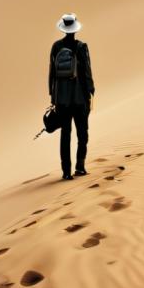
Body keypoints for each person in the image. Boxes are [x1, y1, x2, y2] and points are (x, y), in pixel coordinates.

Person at [48, 12, 95, 181]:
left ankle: (66, 171)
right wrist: (91, 91)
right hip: (80, 99)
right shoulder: (82, 47)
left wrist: (53, 96)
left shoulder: (56, 47)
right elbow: (87, 72)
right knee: (83, 133)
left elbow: (52, 74)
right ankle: (80, 167)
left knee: (65, 135)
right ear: (75, 29)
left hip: (62, 99)